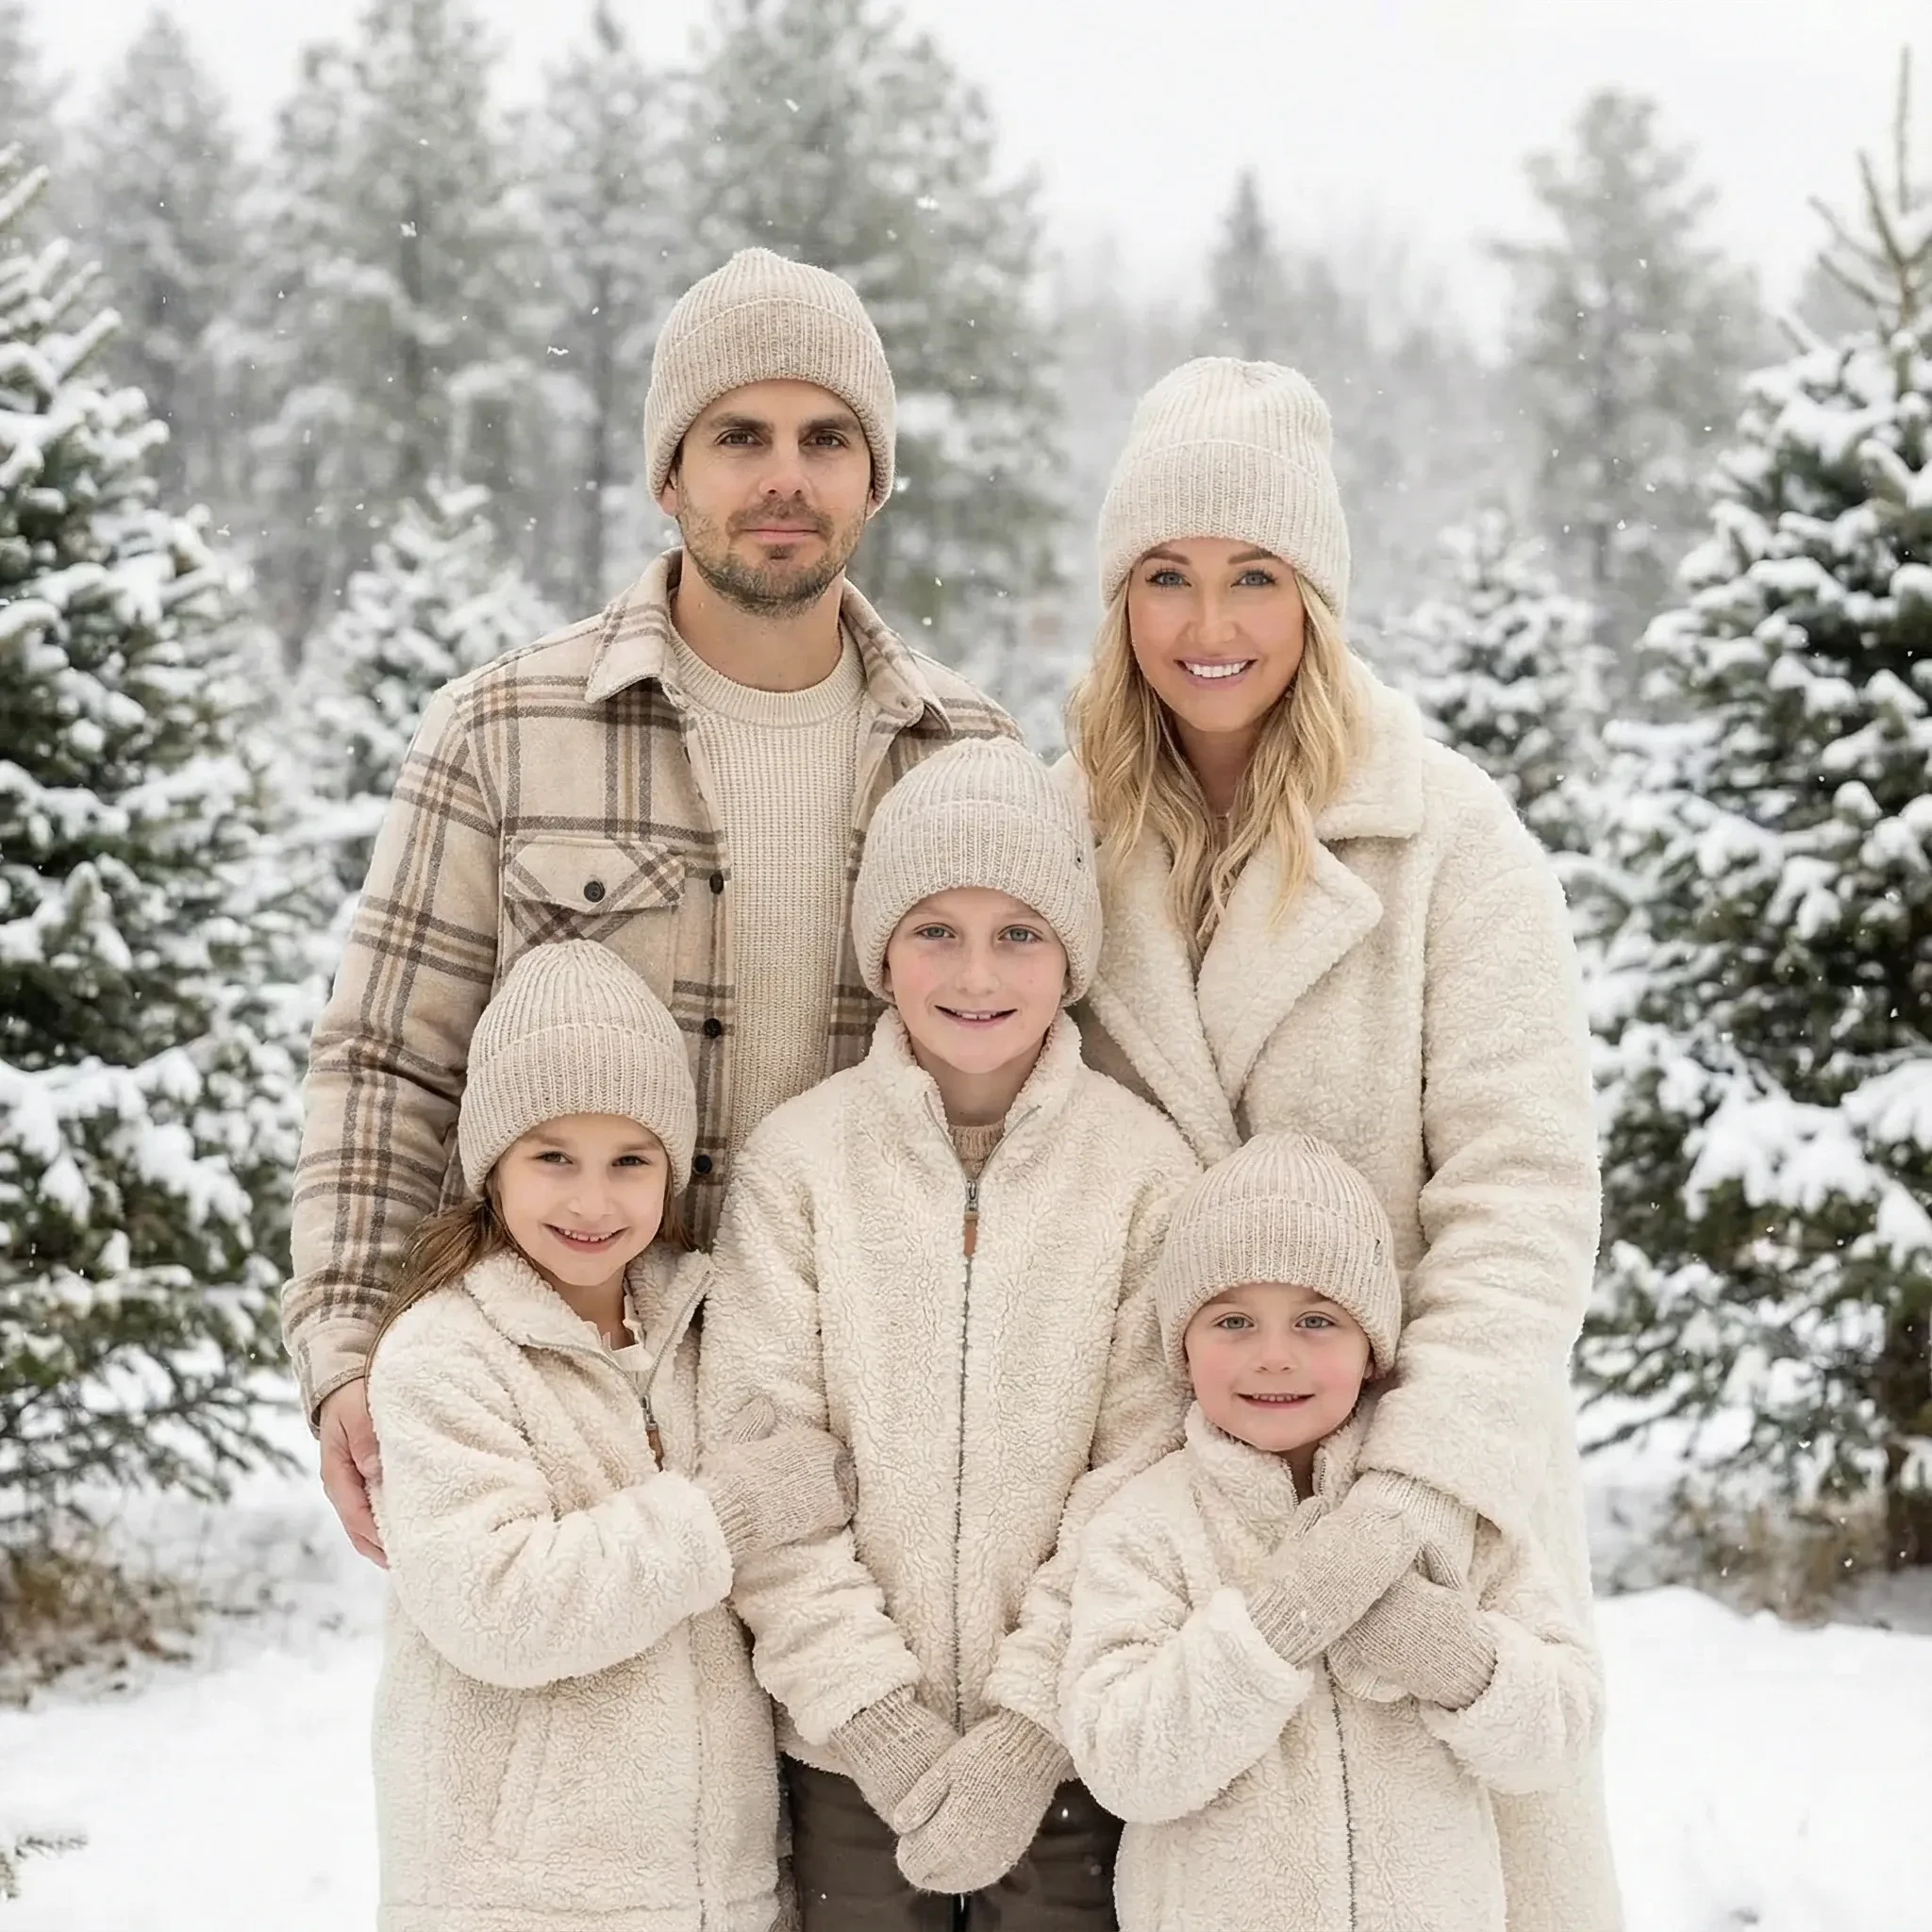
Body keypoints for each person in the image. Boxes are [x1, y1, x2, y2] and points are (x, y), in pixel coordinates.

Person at [286, 247, 1017, 1568]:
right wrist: (349, 1348)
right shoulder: (501, 732)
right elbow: (391, 1059)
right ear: (669, 475)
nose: (784, 476)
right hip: (578, 1430)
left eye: (825, 438)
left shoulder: (969, 759)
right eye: (739, 435)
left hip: (869, 1439)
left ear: (876, 477)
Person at [1062, 357, 1622, 1929]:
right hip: (1168, 1511)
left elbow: (1518, 1199)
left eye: (1252, 574)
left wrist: (1413, 1492)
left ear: (1314, 591)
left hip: (1433, 1487)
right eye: (1162, 576)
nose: (1206, 621)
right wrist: (1134, 1478)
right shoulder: (1065, 841)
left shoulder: (1454, 844)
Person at [699, 740, 1200, 1930]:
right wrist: (875, 1719)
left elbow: (1143, 1483)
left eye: (1018, 931)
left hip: (1073, 1761)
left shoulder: (1144, 1173)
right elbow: (760, 1467)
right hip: (843, 1761)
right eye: (935, 929)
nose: (976, 971)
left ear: (1071, 954)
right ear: (880, 948)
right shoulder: (799, 1163)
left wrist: (1028, 1731)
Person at [365, 939, 856, 1931]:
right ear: (491, 1167)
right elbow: (496, 1604)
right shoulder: (443, 1353)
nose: (592, 1201)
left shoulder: (705, 1324)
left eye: (629, 1160)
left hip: (722, 1888)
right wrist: (723, 1515)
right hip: (521, 1894)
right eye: (553, 1157)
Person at [1060, 1132, 1605, 1932]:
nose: (1274, 1357)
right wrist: (1277, 1624)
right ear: (1181, 1343)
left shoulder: (1448, 1515)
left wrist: (1461, 1662)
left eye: (1316, 1320)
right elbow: (1124, 1764)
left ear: (1373, 1347)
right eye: (1234, 1320)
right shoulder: (1149, 1525)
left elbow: (1565, 1732)